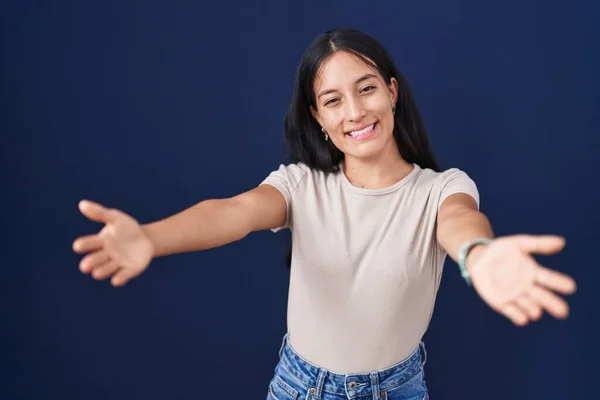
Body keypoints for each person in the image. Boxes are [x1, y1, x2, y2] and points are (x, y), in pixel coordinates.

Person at [72, 28, 577, 400]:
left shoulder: (440, 189)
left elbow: (460, 221)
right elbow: (233, 212)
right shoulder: (300, 185)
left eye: (367, 88)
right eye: (332, 100)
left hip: (398, 390)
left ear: (392, 92)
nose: (354, 112)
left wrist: (479, 255)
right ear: (318, 117)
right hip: (300, 388)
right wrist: (152, 239)